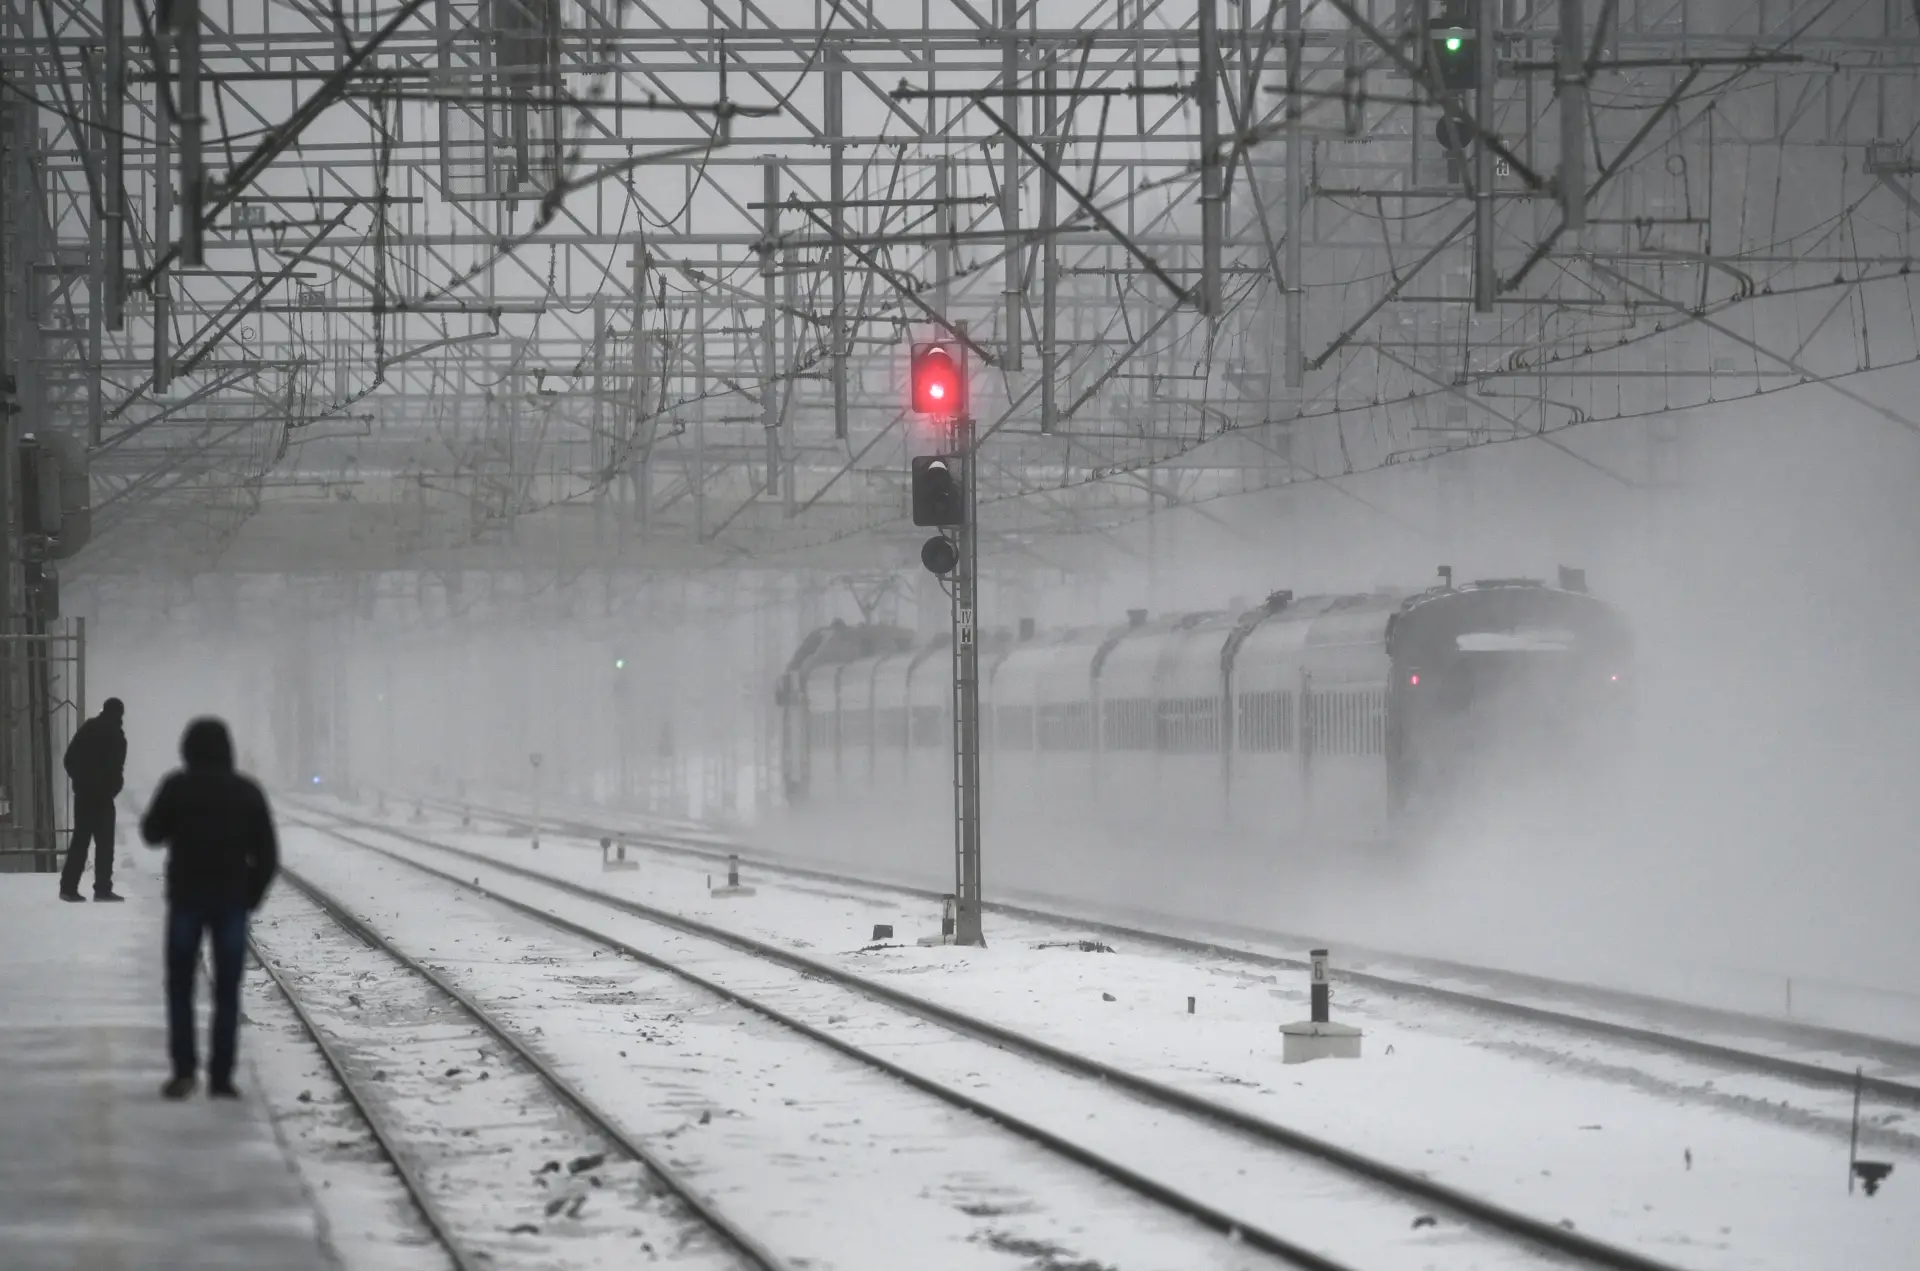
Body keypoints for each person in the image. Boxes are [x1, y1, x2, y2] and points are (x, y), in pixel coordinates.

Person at [140, 718, 279, 1100]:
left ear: (187, 749)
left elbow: (151, 833)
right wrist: (251, 895)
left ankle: (184, 1072)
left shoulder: (176, 787)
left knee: (180, 986)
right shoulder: (246, 791)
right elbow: (268, 854)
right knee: (228, 990)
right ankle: (221, 1077)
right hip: (231, 900)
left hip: (186, 898)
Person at [60, 697, 127, 902]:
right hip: (104, 798)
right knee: (105, 845)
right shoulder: (118, 737)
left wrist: (81, 781)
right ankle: (102, 889)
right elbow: (117, 769)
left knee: (80, 841)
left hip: (84, 796)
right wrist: (112, 789)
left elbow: (69, 759)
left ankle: (68, 888)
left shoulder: (88, 729)